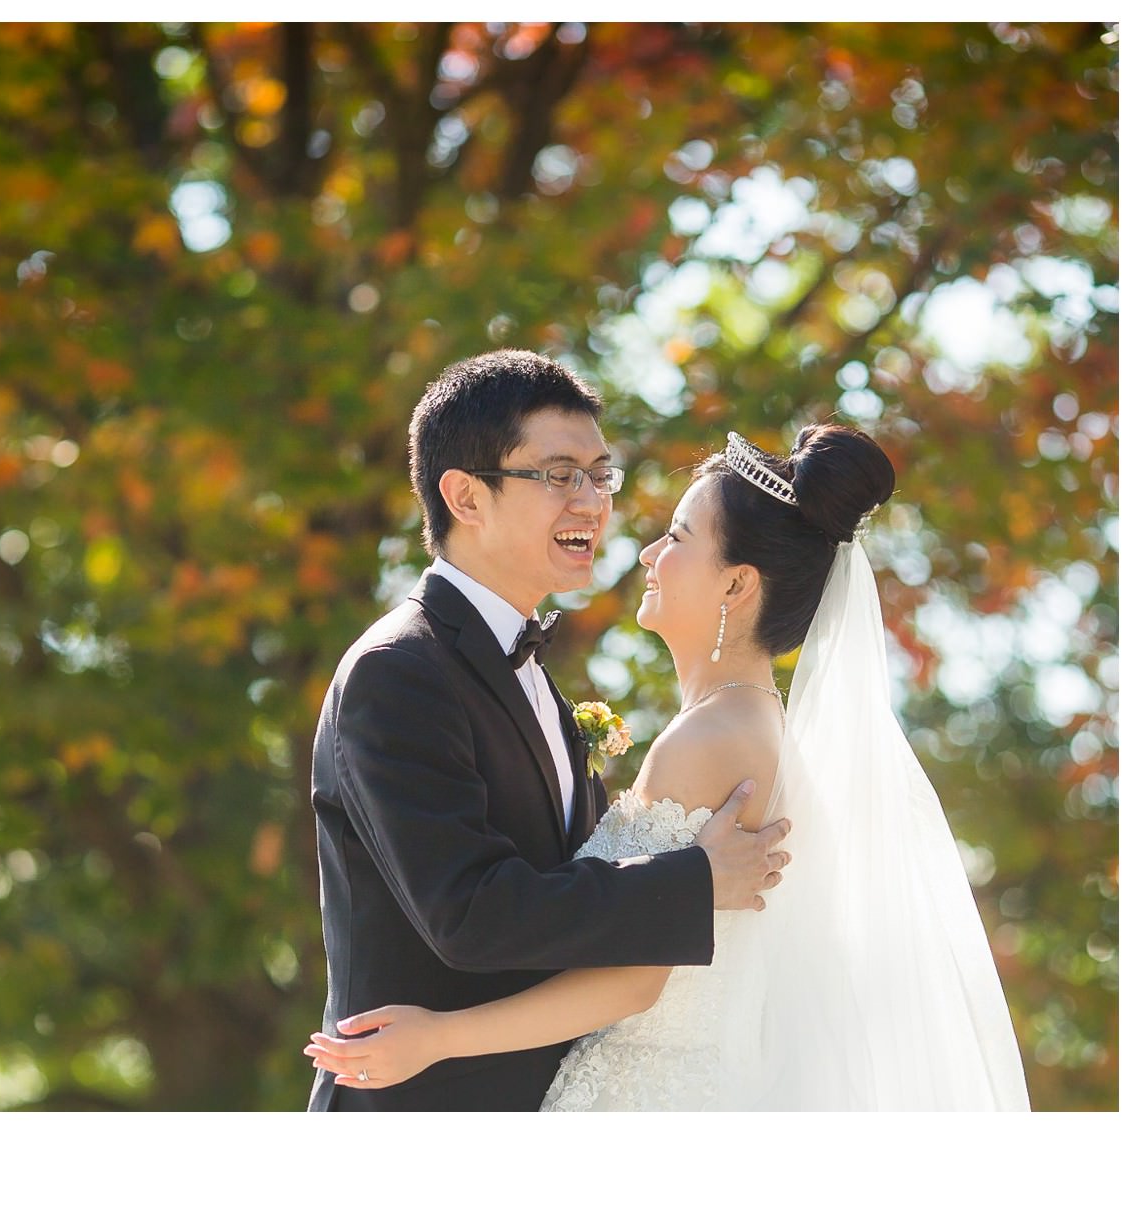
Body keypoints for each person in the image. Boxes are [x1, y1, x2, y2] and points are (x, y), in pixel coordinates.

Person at [306, 423, 1032, 1111]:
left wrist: (437, 1037)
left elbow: (631, 981)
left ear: (736, 585)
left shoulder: (710, 742)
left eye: (679, 537)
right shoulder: (755, 727)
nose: (649, 553)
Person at [306, 350, 792, 1112]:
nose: (593, 502)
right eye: (559, 475)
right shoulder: (399, 670)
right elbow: (469, 913)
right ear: (466, 495)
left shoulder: (532, 677)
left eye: (601, 475)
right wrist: (694, 880)